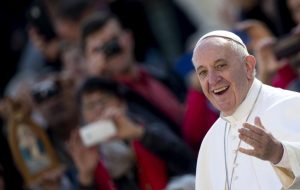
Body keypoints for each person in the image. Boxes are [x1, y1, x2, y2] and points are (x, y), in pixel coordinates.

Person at [192, 30, 300, 189]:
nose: (213, 80)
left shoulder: (292, 104)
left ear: (248, 66)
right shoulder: (210, 142)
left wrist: (279, 153)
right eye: (203, 72)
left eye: (220, 66)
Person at [67, 76, 196, 190]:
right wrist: (86, 176)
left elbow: (188, 162)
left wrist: (140, 134)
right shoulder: (85, 154)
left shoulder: (147, 129)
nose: (98, 109)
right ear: (83, 117)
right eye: (90, 106)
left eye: (104, 100)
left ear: (122, 104)